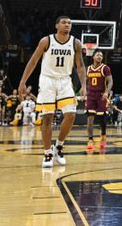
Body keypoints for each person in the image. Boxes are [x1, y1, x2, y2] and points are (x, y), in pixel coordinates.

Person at [17, 16, 87, 168]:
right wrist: (23, 81)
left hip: (65, 80)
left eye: (69, 23)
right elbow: (34, 61)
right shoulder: (46, 41)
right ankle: (48, 153)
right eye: (64, 22)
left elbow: (80, 66)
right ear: (56, 25)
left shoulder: (75, 43)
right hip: (47, 80)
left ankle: (59, 146)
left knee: (71, 114)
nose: (67, 25)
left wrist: (84, 85)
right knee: (47, 117)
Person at [85, 50, 113, 151]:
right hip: (91, 95)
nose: (99, 56)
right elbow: (84, 82)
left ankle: (103, 134)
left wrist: (107, 92)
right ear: (93, 57)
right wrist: (82, 92)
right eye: (97, 55)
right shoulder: (88, 69)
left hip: (101, 95)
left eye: (101, 55)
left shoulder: (105, 68)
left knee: (102, 119)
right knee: (90, 118)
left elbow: (110, 81)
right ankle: (90, 140)